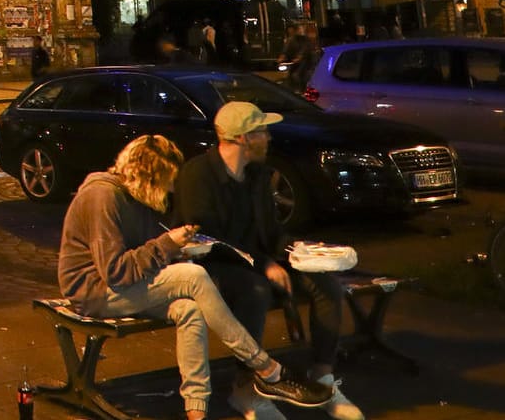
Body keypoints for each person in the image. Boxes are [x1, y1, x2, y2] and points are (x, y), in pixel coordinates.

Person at [59, 134, 331, 420]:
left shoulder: (137, 199)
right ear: (149, 176)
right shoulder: (102, 197)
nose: (172, 188)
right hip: (92, 291)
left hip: (123, 286)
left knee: (189, 310)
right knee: (192, 277)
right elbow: (116, 272)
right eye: (168, 180)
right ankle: (266, 368)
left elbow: (142, 256)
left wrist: (177, 251)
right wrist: (167, 244)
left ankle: (196, 412)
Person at [177, 102, 365, 420]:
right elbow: (203, 238)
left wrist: (300, 251)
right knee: (255, 290)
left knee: (326, 285)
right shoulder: (198, 174)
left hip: (260, 260)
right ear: (242, 138)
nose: (269, 138)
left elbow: (271, 230)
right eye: (262, 131)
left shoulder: (257, 175)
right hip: (215, 265)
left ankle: (322, 380)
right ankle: (246, 388)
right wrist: (262, 263)